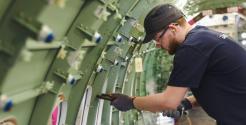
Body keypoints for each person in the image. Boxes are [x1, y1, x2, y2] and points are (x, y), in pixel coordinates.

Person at [98, 4, 246, 125]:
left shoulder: (191, 47)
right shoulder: (202, 37)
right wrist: (187, 103)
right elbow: (225, 89)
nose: (158, 45)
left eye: (158, 39)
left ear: (173, 28)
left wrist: (131, 102)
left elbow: (168, 102)